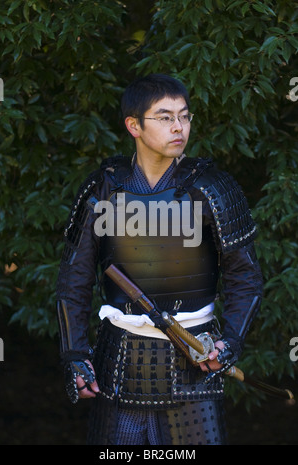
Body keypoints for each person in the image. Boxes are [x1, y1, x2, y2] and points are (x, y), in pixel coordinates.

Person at [56, 74, 263, 445]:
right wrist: (75, 355)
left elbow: (246, 278)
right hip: (118, 362)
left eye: (184, 116)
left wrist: (228, 343)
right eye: (165, 117)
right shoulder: (103, 187)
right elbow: (74, 279)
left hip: (195, 361)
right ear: (134, 125)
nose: (178, 127)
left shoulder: (213, 189)